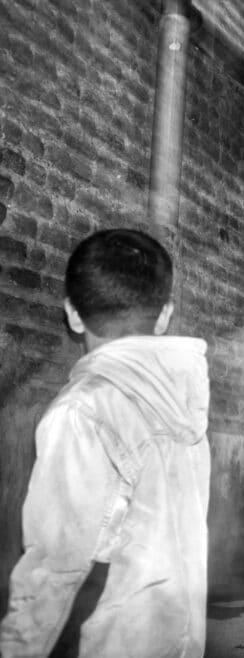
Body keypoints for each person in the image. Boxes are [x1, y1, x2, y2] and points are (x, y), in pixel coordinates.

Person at [0, 229, 210, 657]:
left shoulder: (83, 411)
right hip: (178, 638)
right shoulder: (185, 401)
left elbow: (55, 566)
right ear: (164, 314)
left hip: (108, 640)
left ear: (73, 315)